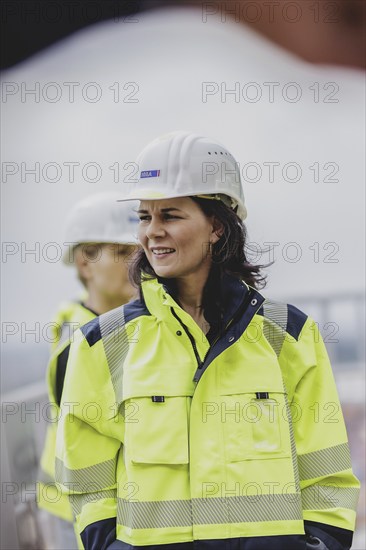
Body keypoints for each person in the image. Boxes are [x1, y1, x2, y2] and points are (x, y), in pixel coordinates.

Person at [55, 132, 360, 550]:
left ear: (216, 225)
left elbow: (326, 471)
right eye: (145, 217)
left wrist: (322, 543)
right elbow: (86, 479)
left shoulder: (288, 334)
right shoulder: (101, 343)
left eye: (171, 216)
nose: (151, 233)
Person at [38, 192, 139, 549]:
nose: (137, 264)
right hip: (78, 512)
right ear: (85, 263)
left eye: (139, 253)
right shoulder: (80, 340)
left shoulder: (124, 326)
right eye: (124, 253)